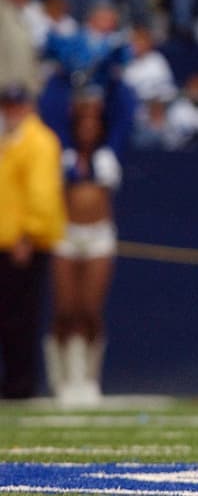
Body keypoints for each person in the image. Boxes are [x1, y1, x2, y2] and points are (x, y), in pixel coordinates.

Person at [48, 98, 119, 405]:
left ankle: (89, 378)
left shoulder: (107, 157)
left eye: (94, 122)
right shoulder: (62, 156)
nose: (88, 127)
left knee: (90, 310)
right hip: (66, 235)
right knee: (65, 310)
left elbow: (125, 108)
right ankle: (62, 379)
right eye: (83, 122)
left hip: (98, 237)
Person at [0, 82, 66, 399]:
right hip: (5, 241)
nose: (11, 112)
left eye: (16, 106)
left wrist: (29, 233)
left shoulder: (38, 141)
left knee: (19, 316)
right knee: (7, 315)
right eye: (7, 106)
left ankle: (20, 384)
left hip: (22, 244)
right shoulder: (9, 141)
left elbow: (42, 194)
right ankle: (12, 380)